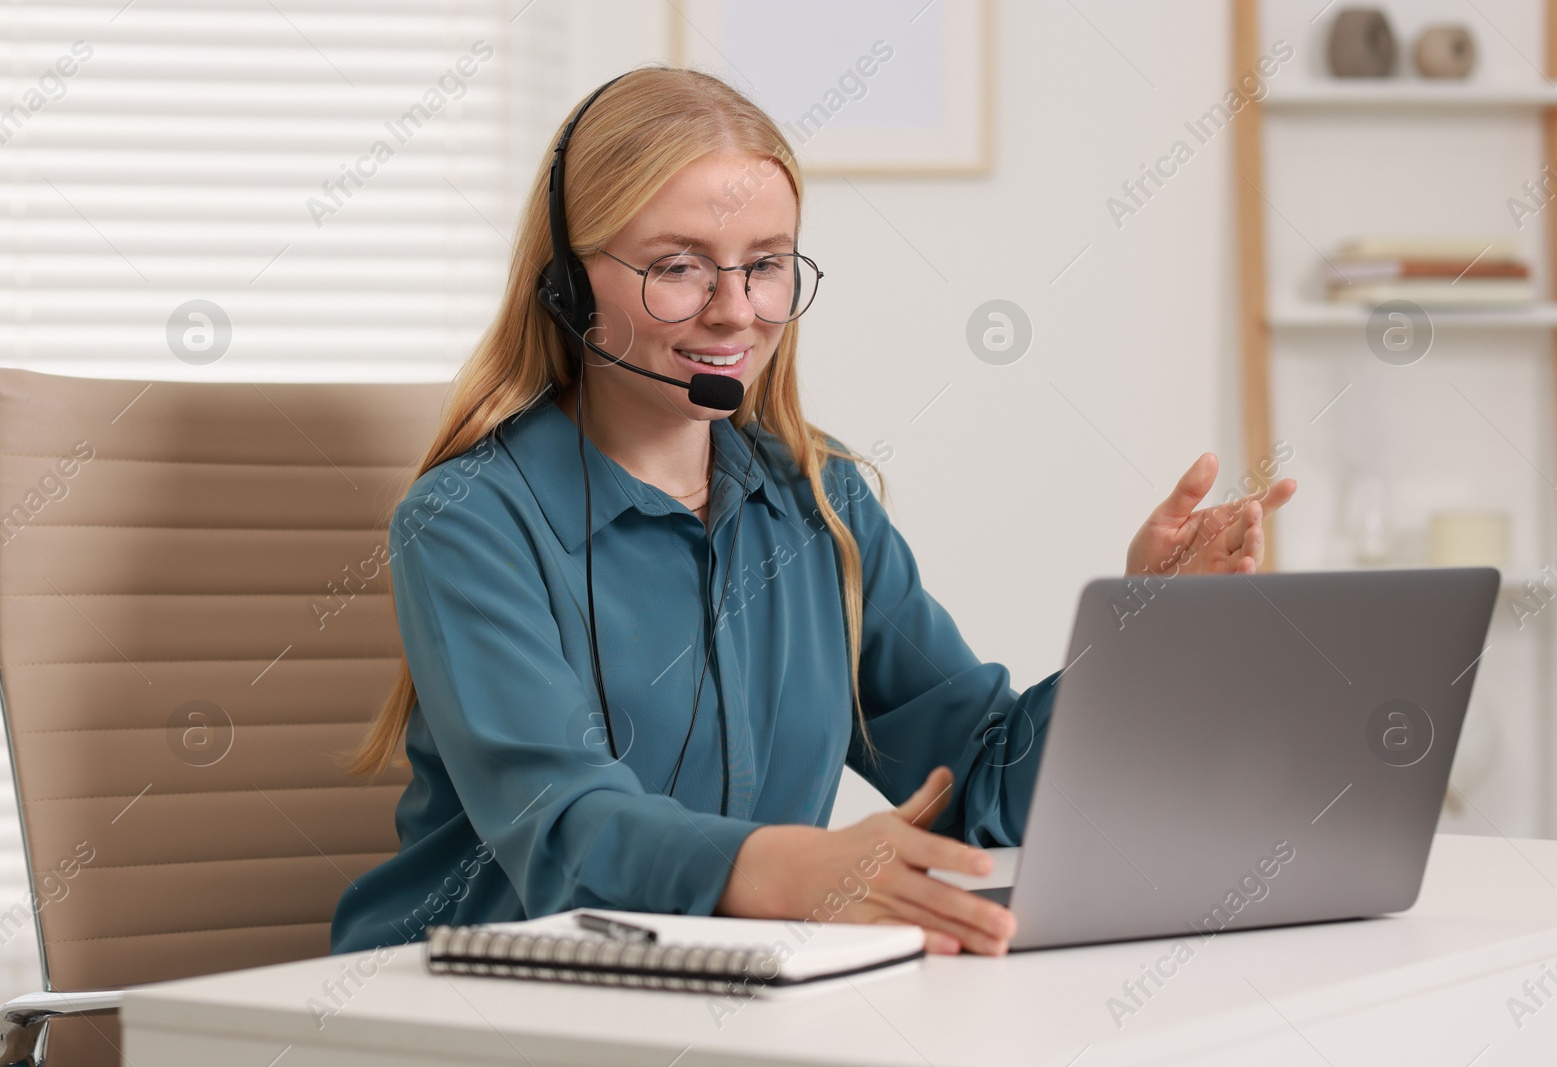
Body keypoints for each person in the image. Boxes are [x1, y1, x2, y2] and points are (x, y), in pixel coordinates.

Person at [329, 65, 1296, 959]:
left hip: (739, 987)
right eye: (679, 266)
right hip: (469, 999)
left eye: (766, 264)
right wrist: (805, 869)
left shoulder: (818, 504)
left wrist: (1141, 642)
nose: (734, 311)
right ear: (568, 283)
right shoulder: (468, 519)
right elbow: (564, 825)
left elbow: (980, 780)